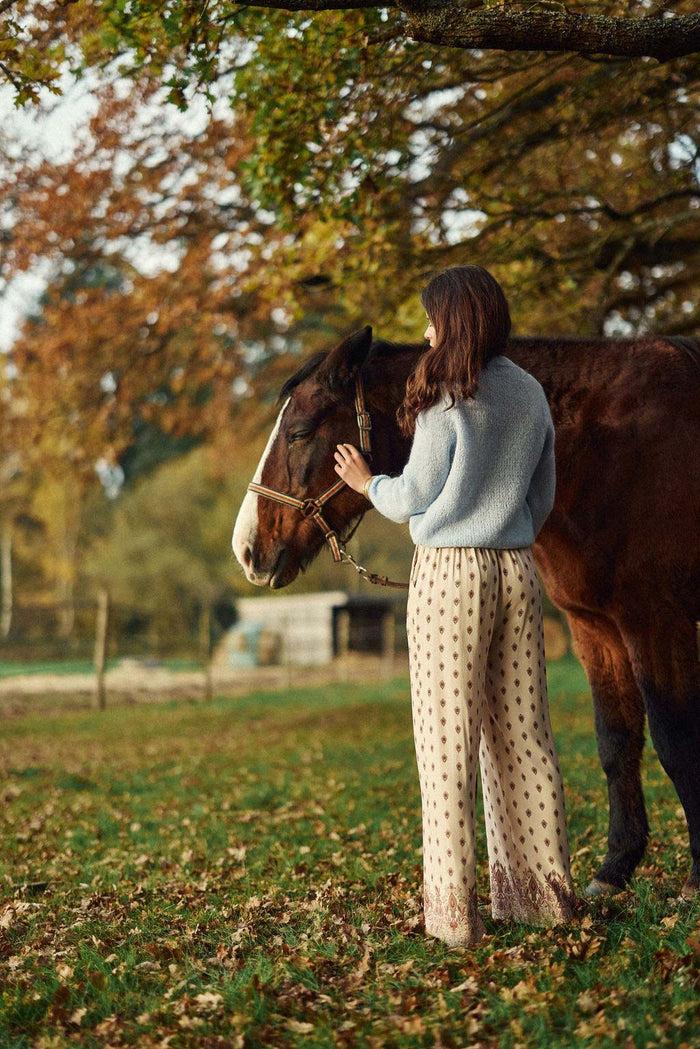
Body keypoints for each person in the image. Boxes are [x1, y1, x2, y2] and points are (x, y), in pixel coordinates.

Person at [333, 264, 582, 948]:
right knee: (524, 735)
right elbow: (544, 494)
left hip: (452, 575)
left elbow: (412, 497)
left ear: (454, 321)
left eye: (430, 318)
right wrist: (509, 526)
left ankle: (452, 916)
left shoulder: (449, 400)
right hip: (516, 569)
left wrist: (367, 481)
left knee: (448, 743)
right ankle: (543, 898)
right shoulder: (530, 394)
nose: (424, 330)